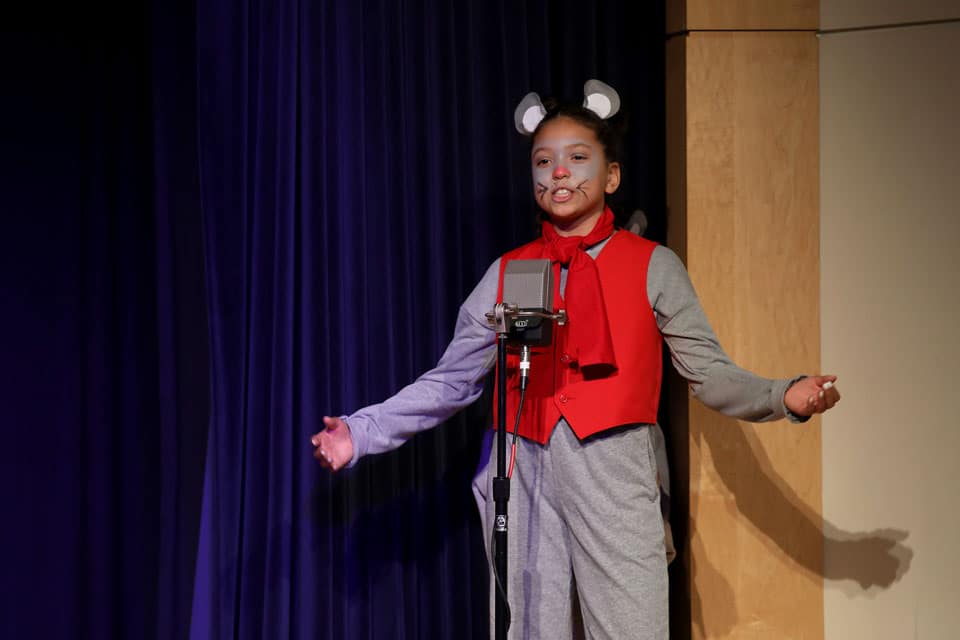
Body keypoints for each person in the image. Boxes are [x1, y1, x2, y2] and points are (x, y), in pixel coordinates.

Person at [311, 80, 840, 640]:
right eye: (543, 161)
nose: (559, 172)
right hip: (522, 464)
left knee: (631, 627)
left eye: (577, 157)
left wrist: (782, 395)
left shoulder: (652, 265)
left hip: (614, 464)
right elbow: (452, 381)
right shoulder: (508, 270)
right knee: (527, 628)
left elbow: (708, 374)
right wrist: (360, 432)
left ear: (612, 176)